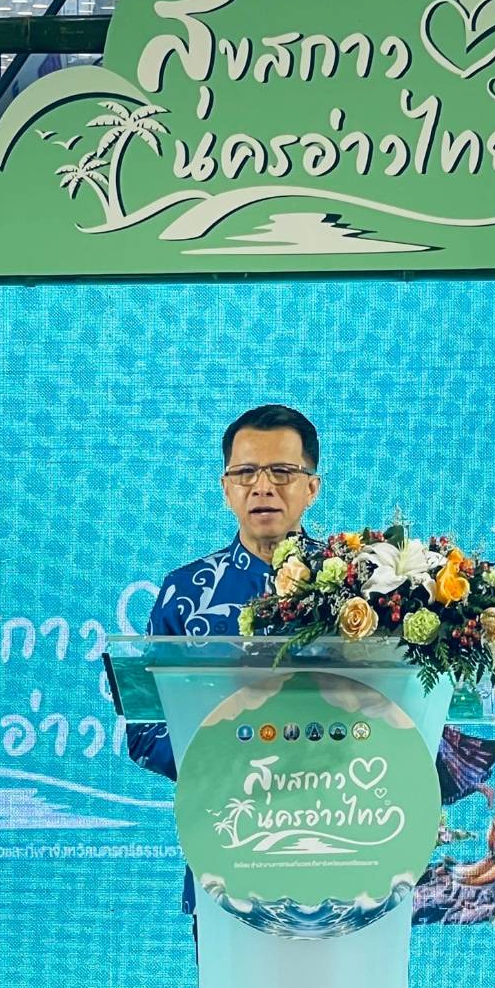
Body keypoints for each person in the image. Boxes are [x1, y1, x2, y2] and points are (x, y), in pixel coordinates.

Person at [126, 404, 322, 943]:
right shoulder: (185, 594)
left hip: (347, 853)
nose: (263, 487)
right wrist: (237, 760)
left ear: (312, 488)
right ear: (226, 488)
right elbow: (144, 732)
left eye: (282, 472)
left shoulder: (364, 589)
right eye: (246, 473)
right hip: (229, 853)